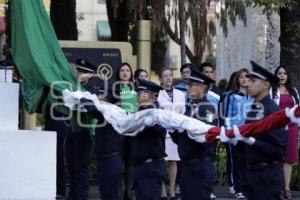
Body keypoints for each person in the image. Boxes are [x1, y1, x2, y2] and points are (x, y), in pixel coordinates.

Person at [233, 61, 287, 200]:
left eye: (253, 80)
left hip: (267, 178)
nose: (248, 84)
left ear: (266, 84)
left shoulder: (273, 111)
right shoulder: (255, 108)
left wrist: (251, 141)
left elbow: (279, 151)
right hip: (252, 176)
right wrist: (236, 140)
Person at [170, 66, 217, 200]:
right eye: (188, 85)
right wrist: (174, 130)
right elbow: (180, 140)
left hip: (200, 165)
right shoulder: (190, 108)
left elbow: (210, 138)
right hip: (187, 166)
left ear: (202, 88)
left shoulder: (207, 109)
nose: (188, 88)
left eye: (192, 85)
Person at [80, 83, 123, 200]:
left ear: (109, 97)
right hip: (105, 159)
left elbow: (92, 109)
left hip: (110, 160)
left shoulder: (111, 112)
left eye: (101, 95)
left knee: (111, 195)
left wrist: (83, 97)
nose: (99, 97)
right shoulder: (108, 111)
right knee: (106, 194)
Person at [131, 78, 167, 200]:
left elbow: (162, 131)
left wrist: (151, 122)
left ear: (150, 95)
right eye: (138, 92)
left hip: (151, 167)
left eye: (142, 92)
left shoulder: (158, 112)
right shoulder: (137, 113)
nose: (138, 95)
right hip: (140, 167)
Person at [220, 68, 253, 199]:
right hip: (235, 133)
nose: (244, 79)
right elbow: (226, 115)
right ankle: (238, 189)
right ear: (237, 80)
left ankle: (247, 188)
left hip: (250, 134)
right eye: (241, 77)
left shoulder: (253, 96)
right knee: (237, 162)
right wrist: (228, 133)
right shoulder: (231, 95)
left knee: (248, 162)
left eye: (247, 77)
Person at [65, 59, 95, 200]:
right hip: (72, 131)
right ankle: (72, 196)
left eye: (83, 72)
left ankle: (81, 197)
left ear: (90, 75)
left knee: (82, 168)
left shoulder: (92, 89)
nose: (79, 74)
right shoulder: (73, 86)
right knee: (71, 167)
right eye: (78, 70)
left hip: (85, 132)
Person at [271, 66, 300, 199]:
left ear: (287, 76)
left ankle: (287, 188)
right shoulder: (271, 91)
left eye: (284, 73)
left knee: (289, 158)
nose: (282, 76)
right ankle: (277, 187)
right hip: (277, 128)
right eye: (279, 73)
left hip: (292, 128)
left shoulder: (293, 91)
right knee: (277, 158)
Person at [157, 67, 186, 200]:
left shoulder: (180, 94)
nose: (168, 78)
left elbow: (183, 112)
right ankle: (162, 191)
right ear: (160, 79)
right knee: (161, 162)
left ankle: (172, 190)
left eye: (170, 75)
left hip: (175, 132)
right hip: (162, 131)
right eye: (165, 76)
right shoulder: (157, 93)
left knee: (173, 162)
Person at [115, 62, 137, 200]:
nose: (124, 72)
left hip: (133, 129)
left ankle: (128, 192)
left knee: (131, 162)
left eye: (127, 70)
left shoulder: (136, 89)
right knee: (119, 162)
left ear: (131, 73)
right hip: (119, 129)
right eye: (122, 70)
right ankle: (119, 190)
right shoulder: (114, 89)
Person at [199, 62, 220, 199]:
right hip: (198, 131)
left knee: (209, 161)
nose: (208, 74)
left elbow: (222, 114)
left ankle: (208, 189)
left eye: (210, 72)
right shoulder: (197, 90)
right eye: (205, 72)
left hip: (213, 132)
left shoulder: (218, 92)